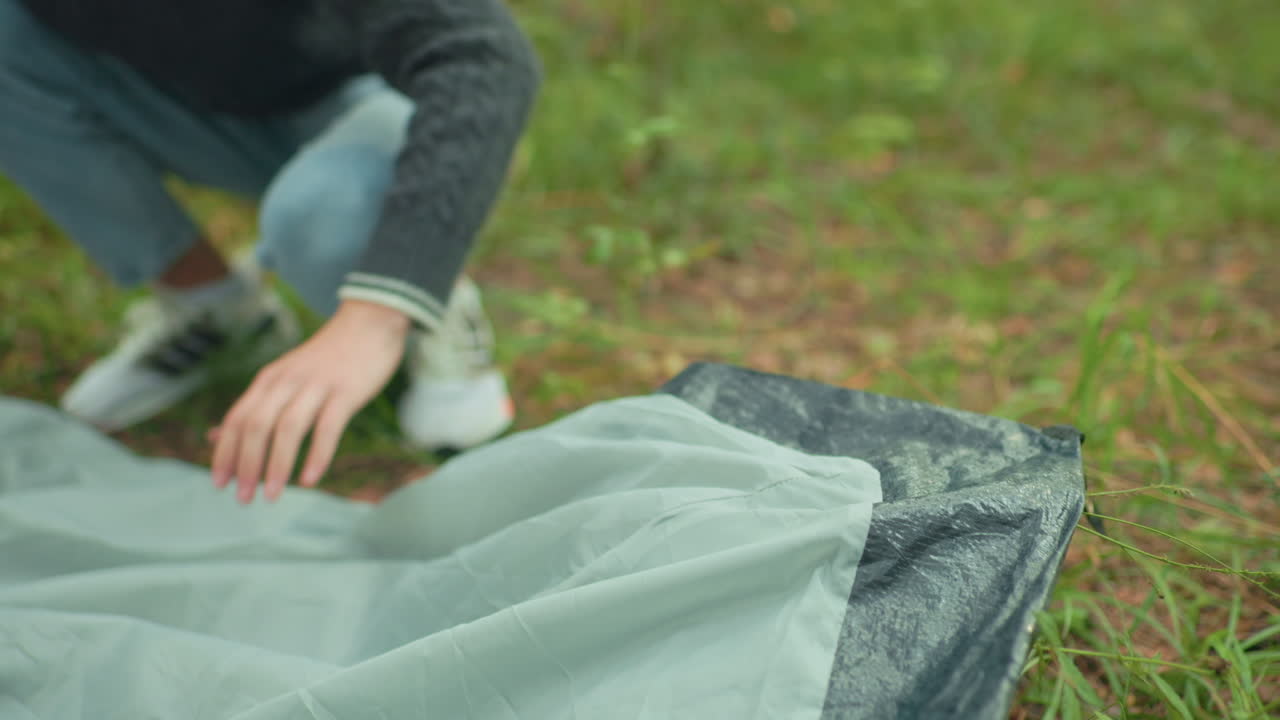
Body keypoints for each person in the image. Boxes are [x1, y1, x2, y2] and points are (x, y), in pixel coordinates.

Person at [0, 0, 541, 504]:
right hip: (183, 95)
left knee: (322, 216)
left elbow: (484, 56)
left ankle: (430, 307)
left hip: (359, 93)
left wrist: (376, 316)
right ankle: (217, 312)